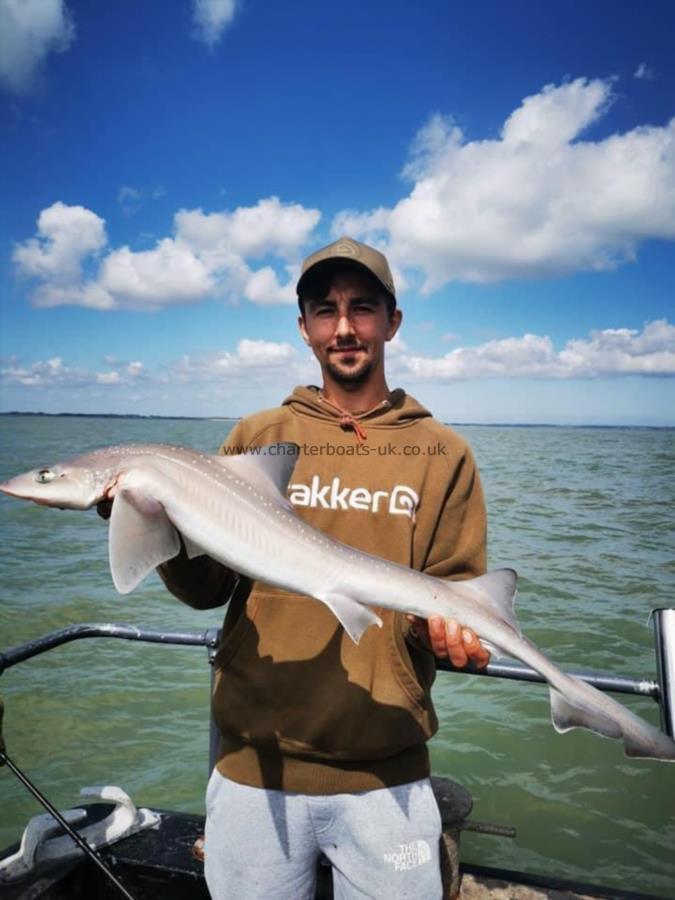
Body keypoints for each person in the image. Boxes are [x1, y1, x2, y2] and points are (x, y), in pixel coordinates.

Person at [158, 237, 489, 899]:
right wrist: (156, 523)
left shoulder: (442, 453)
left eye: (361, 308)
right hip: (254, 768)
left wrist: (449, 638)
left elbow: (452, 593)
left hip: (385, 776)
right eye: (324, 310)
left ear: (391, 321)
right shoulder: (257, 439)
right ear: (304, 327)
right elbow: (204, 590)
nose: (343, 327)